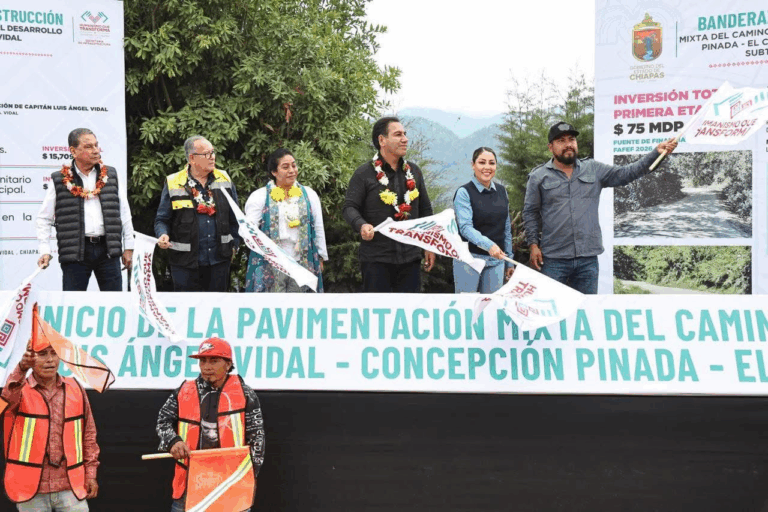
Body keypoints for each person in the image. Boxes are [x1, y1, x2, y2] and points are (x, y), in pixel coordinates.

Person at [522, 121, 678, 294]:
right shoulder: (538, 177)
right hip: (553, 259)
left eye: (571, 139)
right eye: (561, 141)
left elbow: (627, 173)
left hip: (587, 259)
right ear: (550, 147)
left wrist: (656, 153)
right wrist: (533, 245)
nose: (568, 145)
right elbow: (530, 212)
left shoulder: (593, 169)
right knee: (548, 308)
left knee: (587, 311)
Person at [156, 337, 265, 512]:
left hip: (231, 483)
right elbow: (163, 420)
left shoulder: (245, 393)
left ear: (228, 364)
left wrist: (246, 477)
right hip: (191, 482)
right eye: (203, 361)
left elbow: (257, 439)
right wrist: (173, 441)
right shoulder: (184, 390)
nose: (207, 366)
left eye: (214, 361)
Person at [2, 344, 100, 511]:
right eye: (42, 354)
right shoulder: (18, 390)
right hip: (30, 488)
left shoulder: (75, 389)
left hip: (70, 486)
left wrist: (91, 474)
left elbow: (88, 435)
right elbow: (4, 403)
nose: (50, 360)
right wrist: (21, 368)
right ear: (31, 359)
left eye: (54, 354)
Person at [342, 117, 435, 293]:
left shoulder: (414, 172)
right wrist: (362, 225)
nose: (405, 139)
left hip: (411, 258)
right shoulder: (364, 173)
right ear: (382, 140)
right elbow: (349, 208)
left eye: (405, 134)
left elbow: (425, 210)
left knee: (408, 314)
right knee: (377, 315)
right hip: (376, 260)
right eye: (398, 134)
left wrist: (430, 245)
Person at [36, 128, 134, 291]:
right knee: (72, 302)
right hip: (76, 252)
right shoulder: (60, 179)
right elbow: (44, 218)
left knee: (114, 302)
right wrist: (45, 250)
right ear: (73, 151)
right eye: (89, 147)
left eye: (96, 145)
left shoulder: (110, 174)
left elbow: (124, 212)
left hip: (108, 249)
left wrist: (129, 247)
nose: (96, 151)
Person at [155, 136, 240, 292]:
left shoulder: (224, 178)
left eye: (213, 152)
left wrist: (234, 244)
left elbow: (236, 218)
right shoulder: (174, 182)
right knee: (187, 310)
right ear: (192, 158)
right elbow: (162, 219)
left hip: (219, 260)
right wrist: (162, 234)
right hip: (184, 262)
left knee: (216, 308)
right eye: (207, 154)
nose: (212, 157)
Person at [243, 148, 327, 292]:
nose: (292, 171)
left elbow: (318, 226)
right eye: (285, 167)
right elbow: (248, 231)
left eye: (294, 165)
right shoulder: (260, 196)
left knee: (299, 306)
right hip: (271, 262)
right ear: (274, 172)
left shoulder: (309, 195)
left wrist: (321, 256)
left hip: (302, 260)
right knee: (272, 306)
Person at [453, 147, 514, 293]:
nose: (487, 167)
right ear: (473, 165)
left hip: (496, 262)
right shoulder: (464, 193)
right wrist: (489, 245)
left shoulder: (502, 191)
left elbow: (505, 227)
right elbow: (465, 227)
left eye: (491, 163)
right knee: (467, 308)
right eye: (482, 162)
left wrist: (509, 260)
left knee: (490, 309)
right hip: (469, 260)